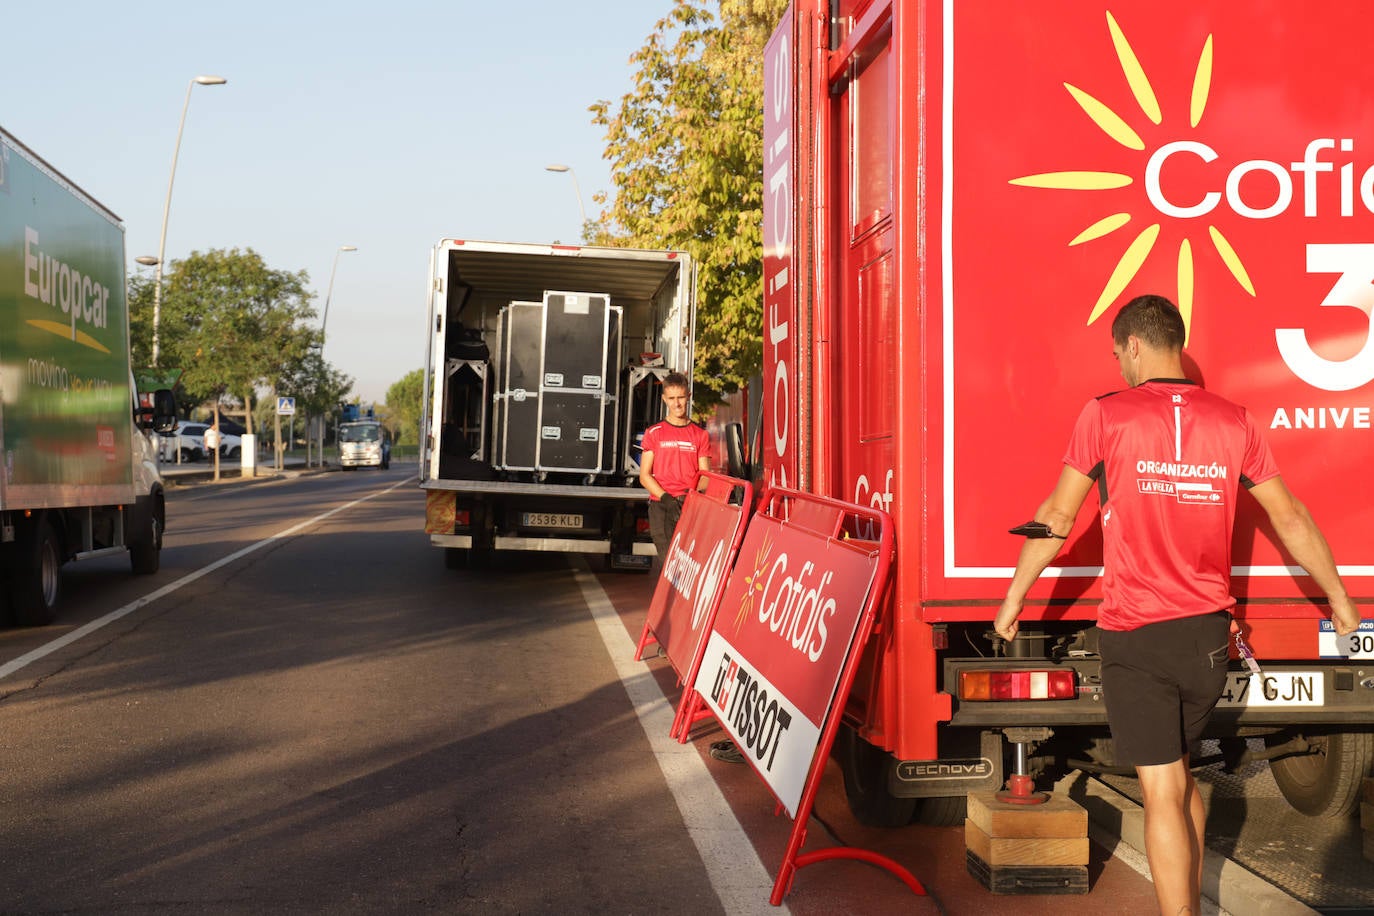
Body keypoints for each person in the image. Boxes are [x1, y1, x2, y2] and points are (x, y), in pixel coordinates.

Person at [994, 294, 1360, 916]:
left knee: (1161, 788)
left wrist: (1013, 598)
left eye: (1116, 354)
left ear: (1135, 346)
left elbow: (1057, 517)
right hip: (1208, 641)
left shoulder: (1106, 415)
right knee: (1181, 772)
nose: (1117, 367)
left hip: (1138, 635)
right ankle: (1187, 894)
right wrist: (1340, 598)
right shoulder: (1235, 419)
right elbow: (1290, 517)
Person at [638, 371, 711, 562]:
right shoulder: (654, 433)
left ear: (689, 397)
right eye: (671, 398)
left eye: (681, 398)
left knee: (688, 563)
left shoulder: (700, 434)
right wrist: (666, 499)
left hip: (689, 505)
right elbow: (644, 476)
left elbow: (705, 476)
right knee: (669, 564)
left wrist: (691, 497)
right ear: (664, 399)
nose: (676, 403)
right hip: (661, 506)